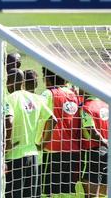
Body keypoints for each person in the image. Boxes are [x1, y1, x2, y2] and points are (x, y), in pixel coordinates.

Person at [4, 68, 56, 198]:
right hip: (33, 156)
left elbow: (8, 121)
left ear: (9, 82)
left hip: (14, 156)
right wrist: (44, 143)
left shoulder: (9, 99)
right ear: (22, 82)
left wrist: (7, 144)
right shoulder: (36, 98)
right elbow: (52, 120)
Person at [40, 67, 81, 197]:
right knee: (67, 191)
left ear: (47, 79)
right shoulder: (74, 95)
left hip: (53, 149)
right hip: (73, 150)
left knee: (49, 192)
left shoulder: (48, 93)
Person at [80, 90, 109, 198]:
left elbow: (91, 131)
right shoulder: (106, 105)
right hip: (107, 153)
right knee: (102, 194)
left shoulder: (87, 107)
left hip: (94, 151)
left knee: (90, 195)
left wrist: (104, 142)